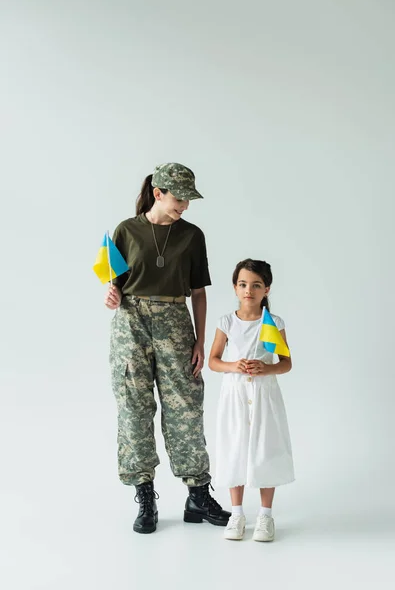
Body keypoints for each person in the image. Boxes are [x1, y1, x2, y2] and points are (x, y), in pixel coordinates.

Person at [104, 162, 230, 534]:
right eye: (180, 198)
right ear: (158, 193)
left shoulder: (192, 235)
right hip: (131, 321)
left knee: (187, 407)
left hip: (176, 320)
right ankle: (145, 494)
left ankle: (197, 494)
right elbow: (115, 283)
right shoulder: (126, 230)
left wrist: (200, 340)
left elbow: (198, 291)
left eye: (189, 199)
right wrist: (111, 294)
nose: (185, 206)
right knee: (133, 407)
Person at [208, 258, 294, 541]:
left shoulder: (273, 322)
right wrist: (234, 365)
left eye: (256, 285)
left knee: (263, 448)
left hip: (263, 394)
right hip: (235, 394)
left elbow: (286, 363)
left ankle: (265, 517)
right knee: (235, 447)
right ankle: (236, 514)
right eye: (243, 284)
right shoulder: (227, 322)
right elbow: (213, 361)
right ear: (235, 287)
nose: (249, 290)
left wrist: (265, 368)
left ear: (266, 289)